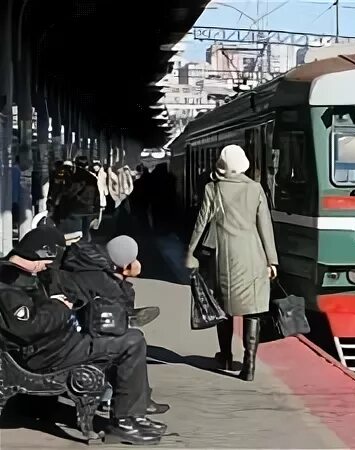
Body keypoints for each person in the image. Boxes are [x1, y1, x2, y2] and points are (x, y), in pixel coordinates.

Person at [0, 226, 166, 445]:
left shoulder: (21, 275)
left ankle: (135, 412)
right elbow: (28, 327)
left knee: (125, 336)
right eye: (49, 260)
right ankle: (125, 422)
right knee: (131, 342)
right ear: (41, 254)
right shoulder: (8, 282)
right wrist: (60, 306)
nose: (48, 267)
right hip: (46, 354)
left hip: (56, 345)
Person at [185, 145, 278, 382]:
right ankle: (249, 365)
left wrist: (190, 251)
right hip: (254, 254)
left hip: (224, 256)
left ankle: (225, 356)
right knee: (253, 310)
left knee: (224, 309)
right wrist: (271, 260)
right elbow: (265, 227)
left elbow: (201, 222)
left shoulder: (212, 188)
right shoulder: (256, 188)